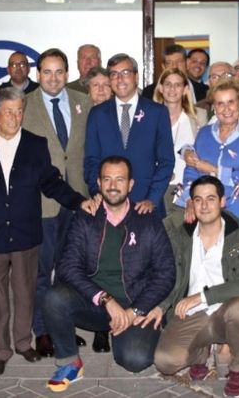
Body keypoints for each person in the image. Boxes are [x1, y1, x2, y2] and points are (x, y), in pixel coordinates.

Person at [0, 86, 94, 375]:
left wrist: (78, 201)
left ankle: (23, 343)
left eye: (19, 111)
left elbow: (51, 182)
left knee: (25, 293)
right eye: (8, 111)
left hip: (25, 234)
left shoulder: (35, 144)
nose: (14, 117)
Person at [43, 156, 176, 391]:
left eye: (119, 180)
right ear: (99, 183)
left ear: (130, 184)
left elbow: (166, 273)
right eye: (107, 179)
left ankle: (131, 333)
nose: (113, 186)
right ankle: (70, 362)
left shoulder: (148, 221)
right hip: (96, 302)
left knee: (135, 360)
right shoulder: (86, 217)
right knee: (53, 298)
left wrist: (135, 311)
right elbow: (68, 266)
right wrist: (106, 299)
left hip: (135, 304)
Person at [16, 48, 95, 357]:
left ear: (67, 73)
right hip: (41, 202)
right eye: (47, 72)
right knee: (41, 272)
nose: (53, 78)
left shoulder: (84, 102)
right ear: (38, 75)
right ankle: (42, 330)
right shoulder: (24, 104)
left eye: (59, 71)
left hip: (78, 200)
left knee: (69, 270)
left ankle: (64, 326)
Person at [154, 176, 239, 398]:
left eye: (210, 199)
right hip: (191, 314)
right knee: (165, 361)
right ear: (191, 203)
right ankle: (200, 351)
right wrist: (161, 306)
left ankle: (237, 370)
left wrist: (201, 297)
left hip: (227, 311)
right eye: (198, 199)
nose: (204, 205)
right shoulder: (180, 236)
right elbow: (167, 274)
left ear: (222, 201)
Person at [84, 53, 175, 218]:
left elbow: (166, 161)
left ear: (136, 77)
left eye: (125, 73)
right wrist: (98, 193)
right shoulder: (97, 114)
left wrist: (152, 199)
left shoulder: (157, 112)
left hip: (146, 205)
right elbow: (91, 160)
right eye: (114, 74)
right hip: (107, 205)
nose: (120, 79)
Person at [180, 79, 239, 225]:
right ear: (214, 107)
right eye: (220, 103)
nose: (226, 109)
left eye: (231, 102)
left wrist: (213, 170)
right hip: (202, 213)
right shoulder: (204, 133)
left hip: (235, 215)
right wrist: (189, 199)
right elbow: (191, 171)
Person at [152, 68, 206, 216]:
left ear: (185, 89)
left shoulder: (199, 117)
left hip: (187, 192)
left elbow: (203, 154)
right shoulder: (149, 117)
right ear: (161, 88)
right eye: (168, 84)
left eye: (177, 85)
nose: (172, 89)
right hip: (156, 189)